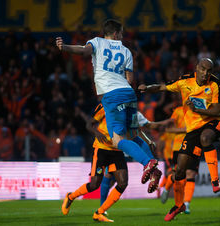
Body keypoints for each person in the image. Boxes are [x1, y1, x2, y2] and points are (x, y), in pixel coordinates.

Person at [56, 19, 161, 192]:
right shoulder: (126, 51)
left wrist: (64, 47)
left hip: (113, 96)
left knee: (118, 139)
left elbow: (83, 51)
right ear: (115, 33)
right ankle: (154, 170)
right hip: (129, 94)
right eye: (121, 33)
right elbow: (129, 79)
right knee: (133, 135)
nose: (122, 36)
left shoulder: (97, 42)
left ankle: (147, 163)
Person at [139, 58, 220, 221]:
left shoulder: (215, 84)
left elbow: (217, 110)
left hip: (213, 123)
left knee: (206, 138)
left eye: (209, 70)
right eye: (203, 69)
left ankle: (215, 180)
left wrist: (197, 109)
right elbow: (163, 86)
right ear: (197, 68)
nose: (206, 73)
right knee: (179, 170)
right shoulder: (185, 80)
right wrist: (147, 88)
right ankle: (179, 205)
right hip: (192, 131)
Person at [62, 104, 161, 222]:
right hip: (101, 148)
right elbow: (89, 124)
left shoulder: (131, 111)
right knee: (94, 184)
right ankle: (71, 196)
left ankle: (99, 212)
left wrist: (148, 141)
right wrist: (97, 133)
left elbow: (135, 132)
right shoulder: (106, 105)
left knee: (123, 183)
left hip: (117, 148)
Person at [159, 105, 199, 215]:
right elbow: (169, 128)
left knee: (190, 174)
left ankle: (186, 204)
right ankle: (167, 188)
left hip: (195, 146)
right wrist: (186, 130)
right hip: (178, 146)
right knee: (178, 173)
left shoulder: (200, 110)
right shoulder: (178, 110)